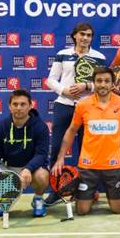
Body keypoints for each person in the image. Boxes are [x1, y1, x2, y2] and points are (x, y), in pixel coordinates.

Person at [52, 67, 120, 215]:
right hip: (88, 165)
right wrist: (60, 157)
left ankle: (108, 194)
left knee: (117, 210)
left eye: (107, 81)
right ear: (94, 83)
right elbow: (71, 131)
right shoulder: (83, 105)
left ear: (112, 84)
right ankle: (90, 194)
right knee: (82, 211)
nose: (103, 85)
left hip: (114, 166)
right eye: (99, 81)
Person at [45, 22, 106, 206]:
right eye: (82, 34)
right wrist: (64, 91)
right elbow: (50, 80)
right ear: (74, 36)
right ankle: (56, 189)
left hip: (88, 107)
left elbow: (104, 83)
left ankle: (87, 190)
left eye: (89, 35)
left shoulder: (99, 57)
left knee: (87, 151)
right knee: (57, 148)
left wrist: (87, 86)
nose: (85, 38)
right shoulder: (63, 54)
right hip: (64, 106)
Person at [0, 89, 50, 218]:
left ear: (30, 105)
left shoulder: (40, 127)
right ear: (9, 107)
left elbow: (41, 154)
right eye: (15, 104)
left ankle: (38, 199)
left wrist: (28, 168)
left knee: (42, 176)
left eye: (23, 104)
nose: (19, 108)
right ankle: (2, 200)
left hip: (30, 168)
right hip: (7, 167)